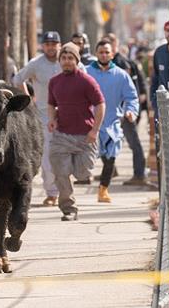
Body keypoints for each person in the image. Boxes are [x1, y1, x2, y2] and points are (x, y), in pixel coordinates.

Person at [48, 42, 105, 220]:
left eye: (70, 58)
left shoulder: (86, 81)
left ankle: (71, 166)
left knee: (83, 173)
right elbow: (51, 104)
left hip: (85, 136)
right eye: (63, 58)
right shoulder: (54, 81)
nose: (66, 62)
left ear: (77, 60)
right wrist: (52, 120)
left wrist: (95, 130)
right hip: (62, 135)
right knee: (60, 173)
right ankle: (69, 209)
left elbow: (100, 104)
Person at [85, 40, 139, 203]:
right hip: (90, 123)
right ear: (96, 54)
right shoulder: (86, 73)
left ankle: (103, 189)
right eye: (101, 52)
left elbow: (131, 97)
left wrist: (131, 111)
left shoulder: (121, 75)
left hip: (112, 124)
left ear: (112, 54)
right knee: (86, 161)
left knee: (110, 158)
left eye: (107, 52)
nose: (104, 55)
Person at [13, 31, 62, 206]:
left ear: (59, 45)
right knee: (48, 154)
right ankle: (52, 192)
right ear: (43, 46)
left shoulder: (68, 60)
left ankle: (65, 189)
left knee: (68, 152)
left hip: (68, 114)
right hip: (43, 114)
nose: (50, 47)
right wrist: (29, 101)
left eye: (53, 44)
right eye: (47, 44)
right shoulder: (36, 64)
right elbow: (17, 79)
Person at [103, 33, 148, 185]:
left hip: (124, 112)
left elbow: (132, 88)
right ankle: (110, 170)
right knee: (106, 142)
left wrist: (131, 109)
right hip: (109, 112)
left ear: (115, 46)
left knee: (133, 142)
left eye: (110, 44)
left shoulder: (123, 64)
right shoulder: (101, 65)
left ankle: (139, 174)